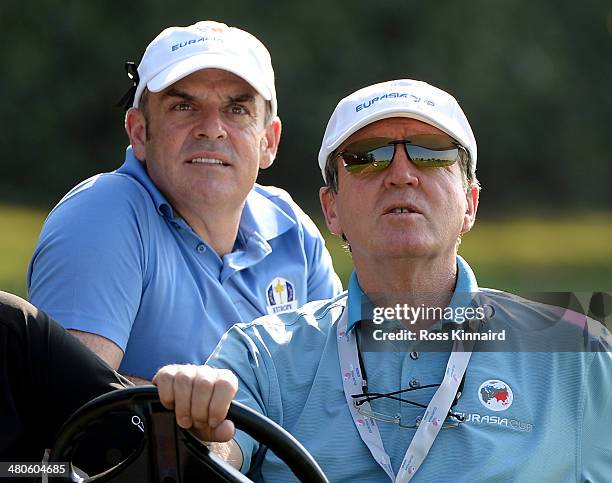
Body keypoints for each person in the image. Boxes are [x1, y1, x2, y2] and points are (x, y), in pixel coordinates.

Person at [3, 79, 610, 481]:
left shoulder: (577, 349)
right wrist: (200, 428)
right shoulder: (263, 351)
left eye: (428, 153)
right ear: (332, 209)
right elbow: (219, 458)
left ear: (471, 201)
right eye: (366, 158)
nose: (401, 173)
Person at [26, 21, 342, 383]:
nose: (211, 127)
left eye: (236, 109)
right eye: (183, 107)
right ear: (140, 132)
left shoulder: (293, 230)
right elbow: (71, 402)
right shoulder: (101, 214)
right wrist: (196, 416)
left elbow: (339, 395)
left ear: (268, 141)